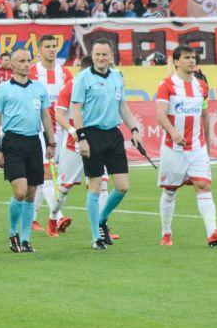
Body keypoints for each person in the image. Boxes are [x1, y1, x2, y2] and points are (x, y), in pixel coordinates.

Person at [155, 46, 217, 247]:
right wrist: (173, 132)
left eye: (193, 57)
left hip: (197, 148)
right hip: (174, 149)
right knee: (170, 191)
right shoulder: (167, 85)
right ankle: (166, 233)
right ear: (176, 62)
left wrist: (207, 145)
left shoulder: (202, 87)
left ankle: (212, 232)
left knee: (204, 185)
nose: (191, 61)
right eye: (186, 58)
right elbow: (160, 114)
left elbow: (205, 116)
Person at [71, 39, 143, 250]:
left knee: (122, 186)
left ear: (111, 56)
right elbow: (76, 110)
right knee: (95, 187)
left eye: (105, 54)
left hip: (113, 135)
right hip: (91, 135)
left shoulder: (117, 77)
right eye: (97, 54)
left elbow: (122, 106)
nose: (101, 58)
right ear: (92, 56)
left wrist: (135, 130)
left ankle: (102, 220)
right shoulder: (83, 78)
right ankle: (96, 237)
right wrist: (82, 137)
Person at [0, 49, 56, 254]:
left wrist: (51, 143)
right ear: (11, 65)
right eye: (21, 61)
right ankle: (13, 233)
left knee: (31, 193)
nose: (26, 64)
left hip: (34, 142)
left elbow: (46, 116)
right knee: (19, 191)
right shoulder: (3, 89)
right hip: (13, 142)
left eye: (28, 60)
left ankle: (26, 239)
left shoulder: (38, 88)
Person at [28, 35, 73, 236]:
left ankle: (32, 218)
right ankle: (57, 216)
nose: (51, 50)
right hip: (38, 129)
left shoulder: (65, 73)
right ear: (39, 49)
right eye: (47, 46)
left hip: (61, 130)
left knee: (46, 176)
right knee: (47, 174)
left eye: (54, 46)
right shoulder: (32, 73)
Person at [47, 56, 96, 237]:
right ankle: (52, 217)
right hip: (73, 144)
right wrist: (72, 130)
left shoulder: (100, 85)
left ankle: (101, 228)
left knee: (100, 185)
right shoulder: (70, 86)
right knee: (64, 187)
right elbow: (59, 114)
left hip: (97, 142)